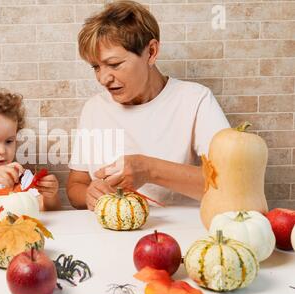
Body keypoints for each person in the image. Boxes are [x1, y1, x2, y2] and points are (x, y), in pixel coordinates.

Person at [66, 0, 230, 211]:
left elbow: (229, 183)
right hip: (111, 234)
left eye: (114, 64)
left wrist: (149, 169)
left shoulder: (195, 99)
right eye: (96, 67)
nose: (103, 78)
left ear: (151, 52)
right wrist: (89, 194)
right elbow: (75, 185)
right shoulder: (94, 109)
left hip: (181, 231)